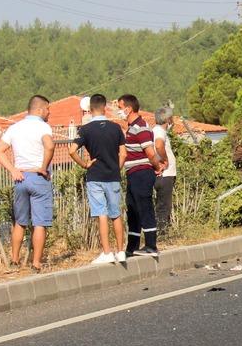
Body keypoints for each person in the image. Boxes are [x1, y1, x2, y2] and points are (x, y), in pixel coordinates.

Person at [0, 95, 55, 272]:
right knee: (39, 223)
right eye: (48, 109)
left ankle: (14, 260)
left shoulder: (15, 127)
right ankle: (35, 263)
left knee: (20, 222)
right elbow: (49, 146)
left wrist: (13, 170)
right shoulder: (43, 127)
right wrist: (43, 167)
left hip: (20, 178)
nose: (49, 112)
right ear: (40, 109)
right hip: (38, 177)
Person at [68, 94, 128, 264]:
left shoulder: (86, 130)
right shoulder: (115, 128)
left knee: (101, 213)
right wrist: (117, 168)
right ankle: (121, 251)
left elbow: (72, 150)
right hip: (113, 176)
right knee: (116, 213)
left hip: (95, 176)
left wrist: (85, 164)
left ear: (90, 108)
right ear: (104, 107)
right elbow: (123, 153)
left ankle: (107, 252)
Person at [118, 94, 164, 257]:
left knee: (144, 208)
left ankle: (151, 245)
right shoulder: (131, 128)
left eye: (119, 108)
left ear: (128, 109)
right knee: (133, 210)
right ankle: (132, 246)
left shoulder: (141, 127)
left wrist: (157, 166)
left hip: (142, 174)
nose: (119, 112)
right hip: (133, 174)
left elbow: (151, 153)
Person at [153, 106, 177, 234]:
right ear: (168, 119)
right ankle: (162, 232)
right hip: (165, 174)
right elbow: (158, 145)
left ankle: (162, 230)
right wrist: (165, 160)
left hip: (165, 174)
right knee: (163, 205)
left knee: (163, 204)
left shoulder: (158, 130)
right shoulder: (159, 131)